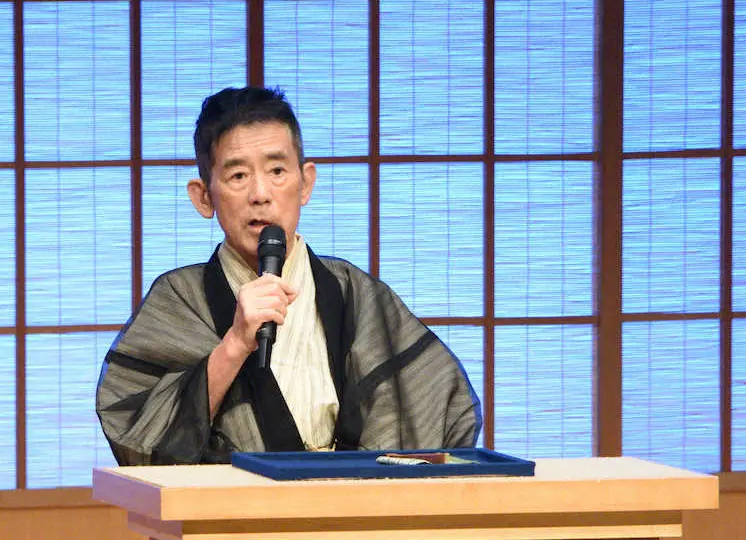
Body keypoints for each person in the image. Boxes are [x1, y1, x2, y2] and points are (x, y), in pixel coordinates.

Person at [96, 86, 481, 465]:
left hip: (355, 502)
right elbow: (134, 428)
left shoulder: (355, 293)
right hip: (233, 504)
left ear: (306, 183)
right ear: (204, 197)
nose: (260, 193)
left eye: (277, 170)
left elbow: (440, 398)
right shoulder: (180, 298)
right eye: (238, 176)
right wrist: (234, 345)